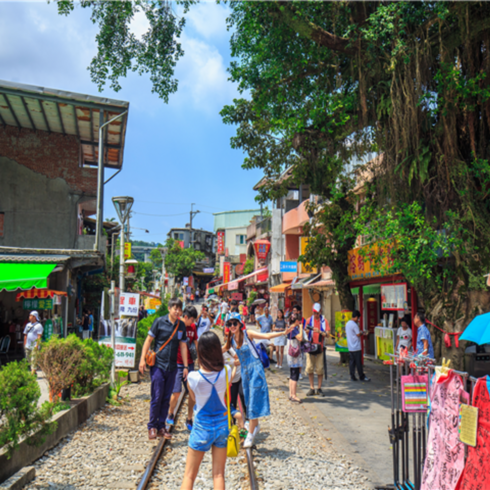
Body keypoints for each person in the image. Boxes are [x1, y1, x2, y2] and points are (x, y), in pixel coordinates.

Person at [223, 317, 294, 448]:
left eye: (234, 323)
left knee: (253, 402)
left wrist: (283, 332)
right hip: (245, 374)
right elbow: (217, 351)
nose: (232, 326)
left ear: (239, 324)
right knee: (249, 402)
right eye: (229, 324)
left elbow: (266, 335)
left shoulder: (247, 334)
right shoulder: (230, 341)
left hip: (255, 371)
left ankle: (250, 434)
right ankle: (254, 426)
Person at [180, 331, 229, 490]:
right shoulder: (225, 371)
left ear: (200, 352)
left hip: (202, 428)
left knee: (189, 476)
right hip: (222, 427)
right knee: (219, 475)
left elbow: (193, 398)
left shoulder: (193, 377)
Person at [139, 298, 189, 440]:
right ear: (169, 308)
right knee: (157, 396)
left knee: (167, 398)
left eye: (179, 309)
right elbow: (148, 341)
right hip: (158, 366)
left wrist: (185, 366)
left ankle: (161, 426)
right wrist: (142, 359)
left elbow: (183, 346)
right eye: (175, 308)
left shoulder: (181, 326)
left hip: (172, 367)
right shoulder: (159, 322)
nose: (177, 311)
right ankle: (152, 426)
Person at [167, 306, 198, 431]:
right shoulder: (177, 325)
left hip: (189, 364)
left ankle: (189, 418)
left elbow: (196, 342)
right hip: (177, 363)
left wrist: (200, 360)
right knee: (176, 392)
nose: (193, 323)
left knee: (192, 392)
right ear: (186, 317)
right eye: (192, 320)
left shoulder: (193, 327)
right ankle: (170, 413)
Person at [305, 303, 329, 396]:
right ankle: (311, 388)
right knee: (310, 368)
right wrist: (307, 331)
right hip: (310, 348)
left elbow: (327, 334)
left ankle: (319, 388)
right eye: (314, 313)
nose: (316, 315)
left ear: (320, 312)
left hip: (320, 348)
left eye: (317, 313)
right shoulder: (309, 320)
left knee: (320, 369)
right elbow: (304, 332)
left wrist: (320, 332)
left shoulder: (324, 321)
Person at [223, 342, 247, 423]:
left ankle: (248, 420)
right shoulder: (221, 352)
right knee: (232, 401)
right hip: (230, 380)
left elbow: (246, 357)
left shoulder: (238, 347)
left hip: (240, 376)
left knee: (243, 395)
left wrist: (240, 360)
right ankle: (232, 424)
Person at [346, 310, 370, 382]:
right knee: (358, 363)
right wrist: (362, 332)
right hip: (356, 347)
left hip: (350, 346)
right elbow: (358, 334)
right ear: (356, 317)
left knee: (352, 362)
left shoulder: (347, 324)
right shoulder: (354, 325)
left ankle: (352, 375)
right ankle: (361, 376)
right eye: (358, 318)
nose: (358, 320)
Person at [287, 314, 304, 403]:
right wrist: (301, 328)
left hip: (291, 354)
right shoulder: (293, 329)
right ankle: (293, 395)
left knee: (292, 374)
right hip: (294, 356)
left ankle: (291, 394)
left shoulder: (290, 328)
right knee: (294, 375)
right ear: (296, 321)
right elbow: (300, 338)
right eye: (299, 321)